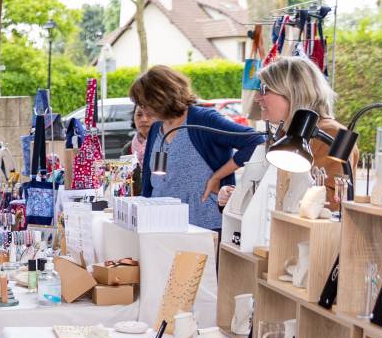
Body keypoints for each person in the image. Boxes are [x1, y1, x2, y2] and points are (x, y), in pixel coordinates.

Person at [132, 66, 264, 231]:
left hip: (203, 226)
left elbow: (256, 141)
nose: (143, 111)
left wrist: (217, 176)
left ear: (161, 97)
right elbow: (150, 182)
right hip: (162, 226)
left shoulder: (203, 120)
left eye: (146, 104)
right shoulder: (156, 128)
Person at [252, 56, 358, 211]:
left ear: (293, 93)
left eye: (264, 90)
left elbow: (335, 204)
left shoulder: (338, 135)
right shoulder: (285, 136)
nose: (256, 98)